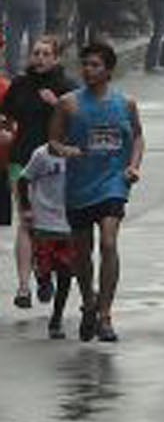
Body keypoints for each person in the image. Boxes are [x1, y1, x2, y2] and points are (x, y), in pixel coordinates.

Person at [46, 41, 142, 344]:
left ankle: (105, 314)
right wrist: (66, 150)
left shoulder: (125, 103)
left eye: (95, 65)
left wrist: (133, 166)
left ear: (109, 71)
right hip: (79, 185)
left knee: (109, 243)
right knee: (81, 252)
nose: (88, 70)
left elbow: (137, 137)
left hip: (113, 182)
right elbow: (53, 142)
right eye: (85, 65)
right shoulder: (68, 104)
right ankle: (88, 299)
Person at [5, 34, 70, 308]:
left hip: (57, 162)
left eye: (46, 54)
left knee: (54, 221)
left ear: (56, 58)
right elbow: (6, 115)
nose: (39, 58)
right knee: (26, 220)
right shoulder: (19, 85)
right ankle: (23, 287)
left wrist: (56, 104)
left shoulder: (68, 87)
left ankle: (45, 273)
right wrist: (6, 130)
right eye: (36, 53)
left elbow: (79, 120)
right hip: (22, 159)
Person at [19, 139, 72, 337]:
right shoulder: (42, 154)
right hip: (44, 221)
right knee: (43, 265)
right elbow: (23, 179)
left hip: (69, 222)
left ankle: (56, 318)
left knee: (66, 273)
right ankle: (43, 280)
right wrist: (26, 208)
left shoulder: (78, 153)